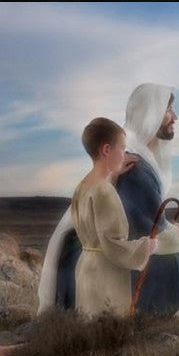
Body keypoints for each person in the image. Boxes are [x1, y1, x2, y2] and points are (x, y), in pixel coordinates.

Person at [38, 83, 179, 316]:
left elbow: (145, 217)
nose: (175, 116)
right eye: (169, 108)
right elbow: (147, 232)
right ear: (152, 112)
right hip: (110, 262)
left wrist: (175, 230)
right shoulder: (135, 168)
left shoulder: (128, 163)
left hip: (94, 258)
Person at [68, 117, 157, 318]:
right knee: (107, 331)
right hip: (105, 274)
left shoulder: (82, 186)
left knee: (89, 326)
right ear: (107, 150)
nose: (125, 154)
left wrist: (113, 174)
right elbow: (113, 246)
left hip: (86, 268)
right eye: (123, 148)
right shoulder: (105, 191)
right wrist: (146, 247)